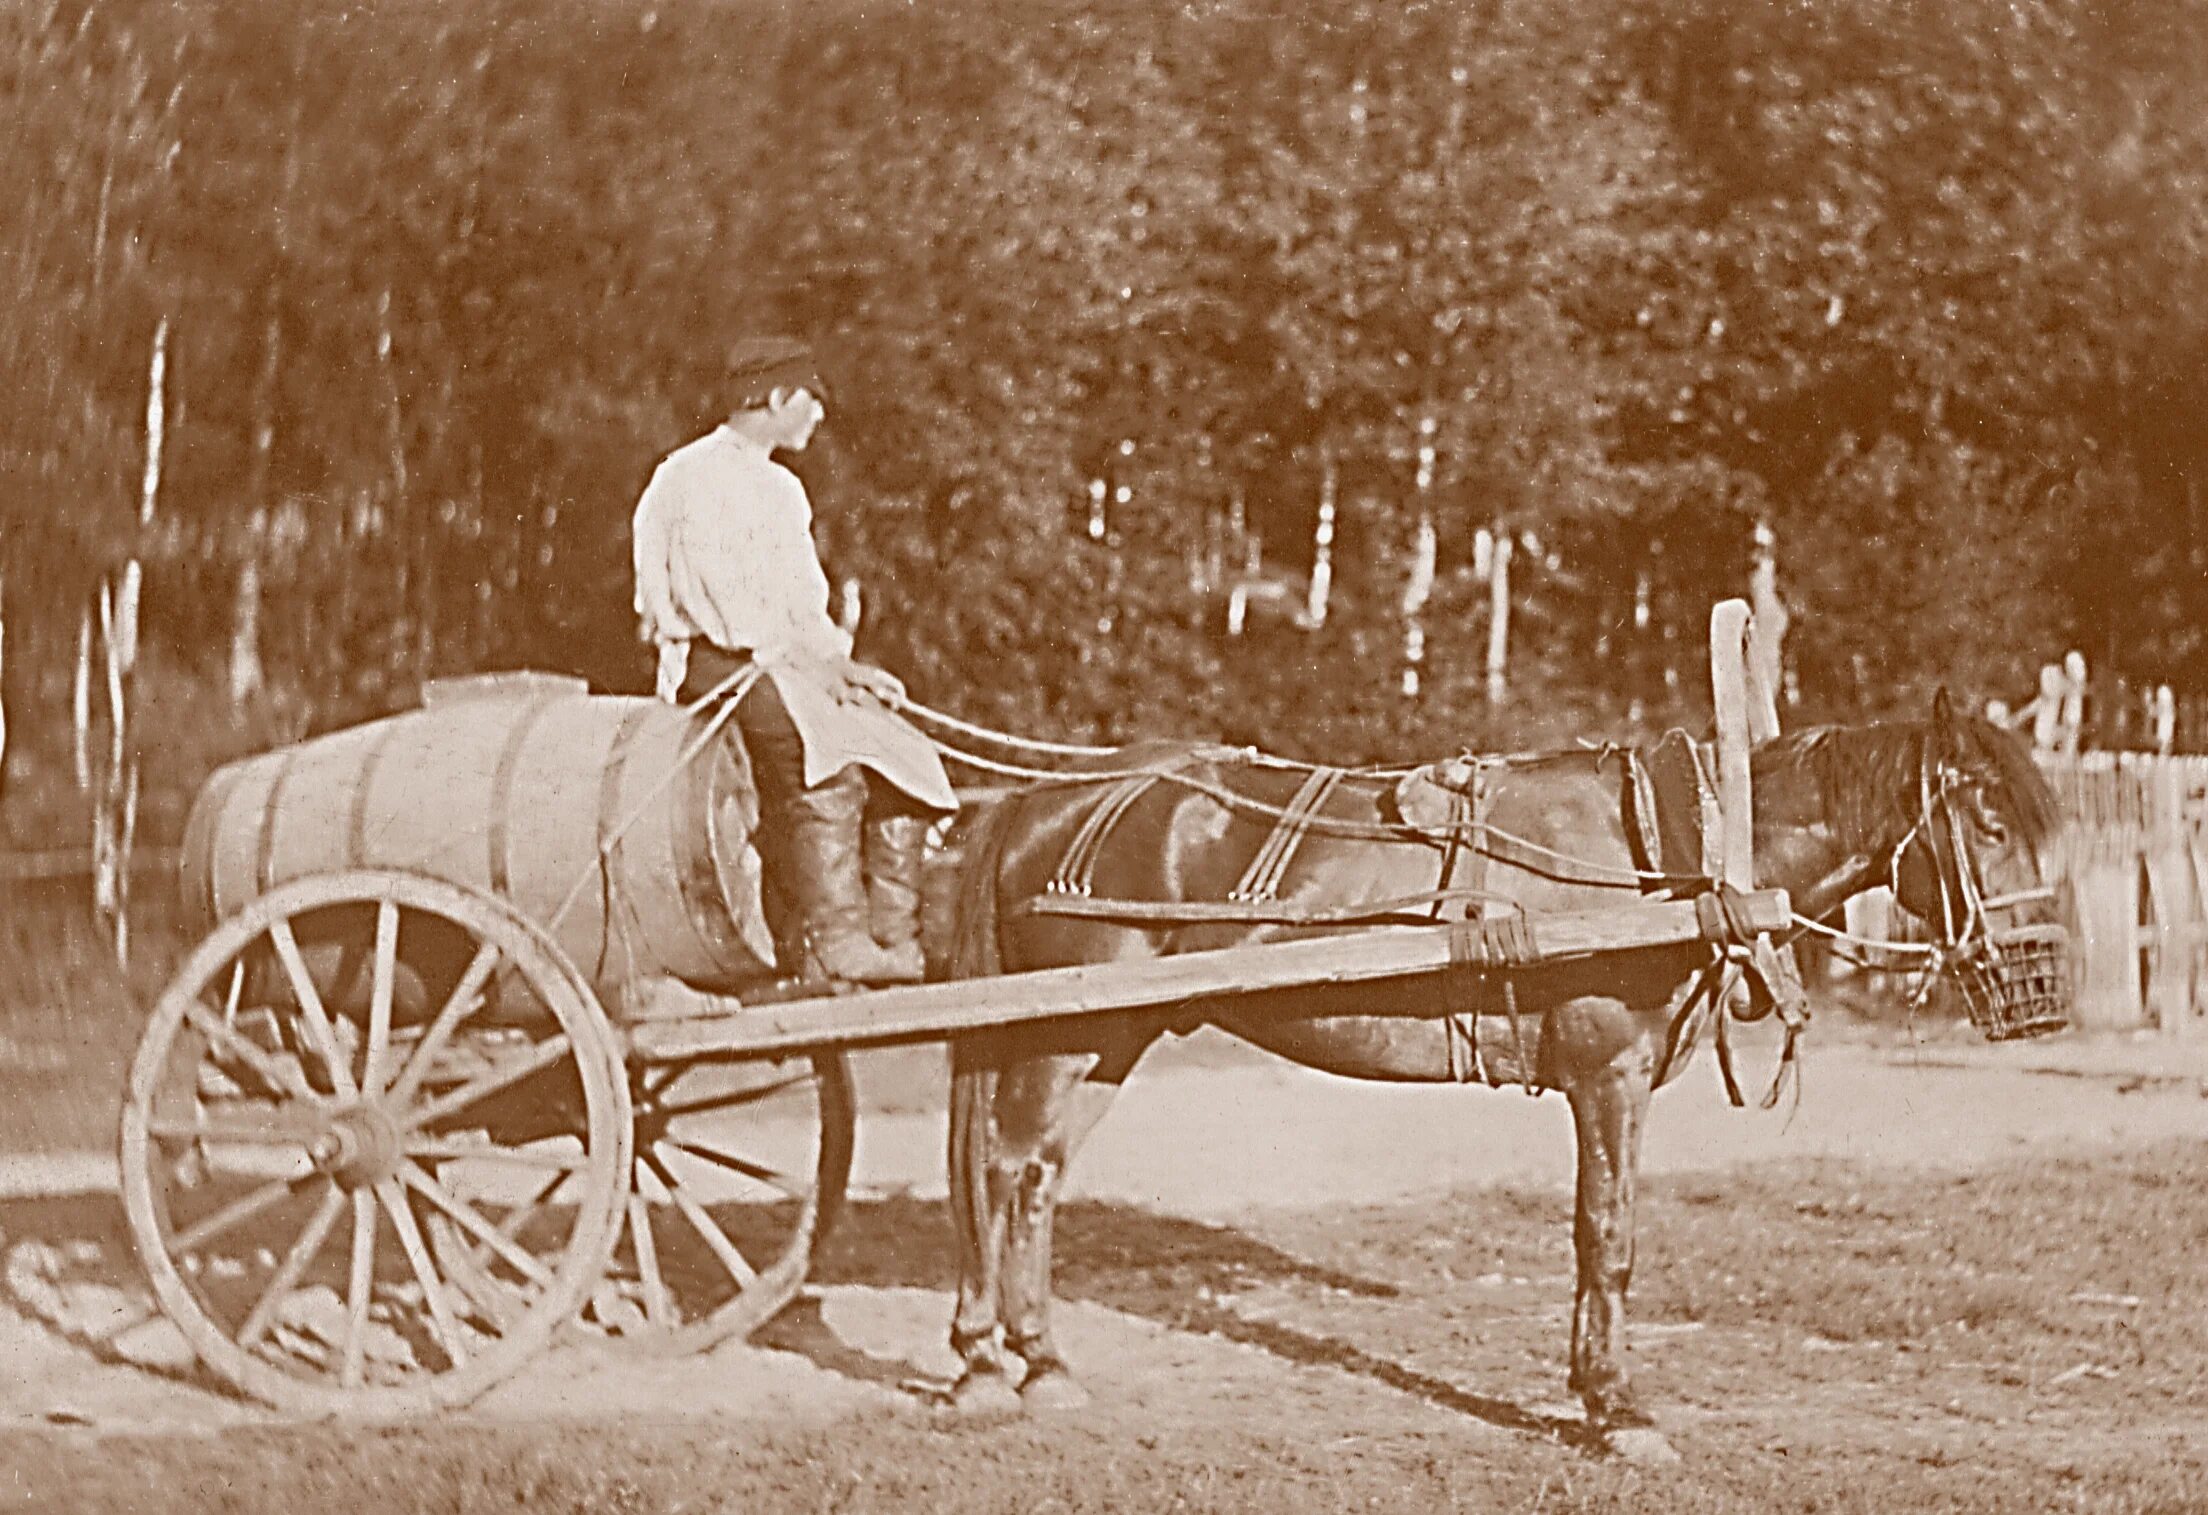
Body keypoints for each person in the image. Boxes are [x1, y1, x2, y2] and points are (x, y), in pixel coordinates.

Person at [631, 336, 955, 985]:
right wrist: (815, 668)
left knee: (897, 738)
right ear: (776, 398)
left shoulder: (782, 487)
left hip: (783, 660)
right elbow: (727, 607)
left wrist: (843, 665)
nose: (818, 415)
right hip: (717, 662)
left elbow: (803, 604)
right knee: (820, 751)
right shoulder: (691, 476)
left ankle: (891, 935)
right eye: (811, 399)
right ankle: (837, 938)